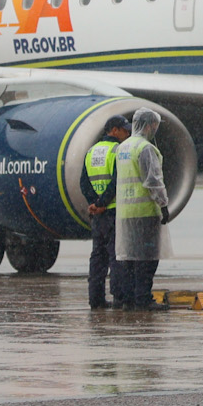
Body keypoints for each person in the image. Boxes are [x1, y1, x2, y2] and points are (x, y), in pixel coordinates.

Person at [113, 108, 172, 310]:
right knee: (147, 260)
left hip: (124, 213)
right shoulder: (145, 148)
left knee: (129, 259)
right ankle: (143, 299)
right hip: (145, 212)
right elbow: (153, 181)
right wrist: (163, 205)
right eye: (154, 125)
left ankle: (128, 298)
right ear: (147, 125)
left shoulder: (123, 147)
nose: (155, 129)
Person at [82, 114, 129, 310]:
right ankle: (119, 299)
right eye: (125, 130)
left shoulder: (92, 151)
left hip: (98, 215)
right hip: (113, 212)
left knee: (98, 258)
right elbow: (117, 182)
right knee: (116, 256)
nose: (128, 134)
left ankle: (96, 299)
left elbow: (83, 183)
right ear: (114, 130)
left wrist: (94, 203)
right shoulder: (118, 150)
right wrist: (103, 203)